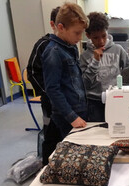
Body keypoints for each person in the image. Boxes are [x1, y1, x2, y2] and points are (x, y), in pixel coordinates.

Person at [42, 2, 88, 150]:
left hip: (79, 108)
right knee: (72, 152)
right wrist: (71, 116)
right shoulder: (53, 52)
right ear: (60, 27)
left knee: (81, 148)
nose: (80, 37)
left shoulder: (71, 47)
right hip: (67, 115)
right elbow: (52, 89)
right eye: (76, 33)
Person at [80, 12, 129, 122]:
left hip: (116, 99)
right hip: (94, 102)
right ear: (88, 36)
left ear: (107, 31)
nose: (101, 41)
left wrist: (123, 91)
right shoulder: (84, 56)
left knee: (118, 127)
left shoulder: (118, 50)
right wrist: (95, 62)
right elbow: (85, 84)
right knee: (97, 132)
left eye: (104, 36)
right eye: (96, 38)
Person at [26, 6, 60, 165]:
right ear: (53, 24)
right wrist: (48, 92)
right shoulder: (43, 44)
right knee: (50, 134)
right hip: (49, 101)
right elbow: (32, 72)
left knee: (65, 135)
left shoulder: (70, 46)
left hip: (65, 101)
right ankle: (46, 167)